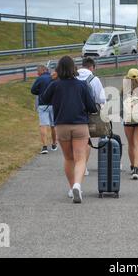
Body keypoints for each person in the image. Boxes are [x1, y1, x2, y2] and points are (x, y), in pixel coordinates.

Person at [42, 56, 98, 204]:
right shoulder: (82, 85)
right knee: (80, 159)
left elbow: (43, 98)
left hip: (61, 126)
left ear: (58, 69)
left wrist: (52, 79)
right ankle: (78, 186)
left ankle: (71, 187)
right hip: (80, 125)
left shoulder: (55, 85)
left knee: (68, 158)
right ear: (74, 68)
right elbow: (92, 107)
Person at [77, 57, 107, 176]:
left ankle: (76, 164)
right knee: (86, 140)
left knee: (76, 140)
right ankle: (82, 166)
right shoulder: (94, 79)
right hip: (88, 113)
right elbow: (101, 98)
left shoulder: (73, 77)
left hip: (73, 112)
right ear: (92, 67)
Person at [31, 65, 57, 155]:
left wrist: (40, 92)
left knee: (43, 125)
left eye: (38, 71)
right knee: (53, 125)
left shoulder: (40, 79)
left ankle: (44, 147)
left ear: (42, 70)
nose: (37, 73)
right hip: (53, 104)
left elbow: (33, 90)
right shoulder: (53, 78)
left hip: (43, 104)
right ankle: (54, 144)